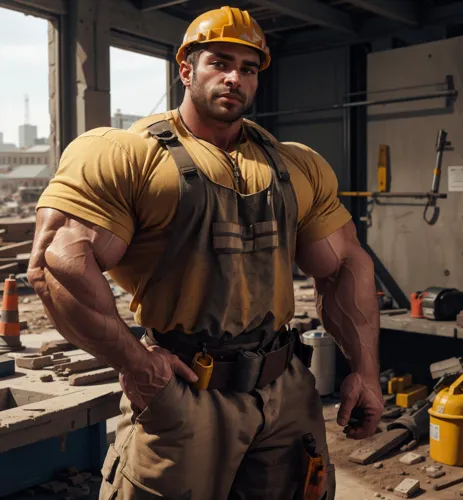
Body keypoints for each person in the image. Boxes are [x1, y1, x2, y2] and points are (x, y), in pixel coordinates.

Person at [27, 6, 383, 500]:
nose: (234, 77)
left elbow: (345, 264)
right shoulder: (126, 154)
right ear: (186, 68)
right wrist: (134, 361)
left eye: (249, 68)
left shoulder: (298, 165)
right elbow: (57, 263)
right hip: (183, 393)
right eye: (219, 61)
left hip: (287, 395)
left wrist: (365, 372)